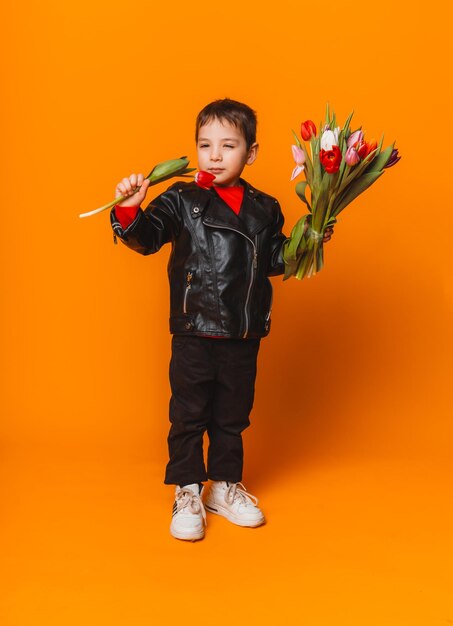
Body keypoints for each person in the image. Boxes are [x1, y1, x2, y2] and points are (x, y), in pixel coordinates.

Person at [110, 98, 333, 541]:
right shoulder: (180, 197)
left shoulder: (265, 207)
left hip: (242, 329)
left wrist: (309, 238)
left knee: (233, 415)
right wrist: (129, 210)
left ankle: (225, 486)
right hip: (194, 327)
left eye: (228, 145)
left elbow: (273, 259)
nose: (214, 155)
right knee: (189, 413)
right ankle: (188, 489)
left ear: (250, 153)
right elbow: (147, 238)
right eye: (205, 144)